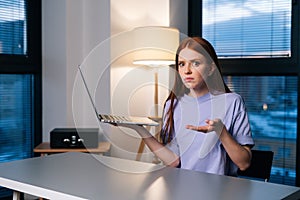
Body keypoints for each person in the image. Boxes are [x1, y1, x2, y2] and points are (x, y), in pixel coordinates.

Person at [115, 37, 254, 176]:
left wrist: (221, 132)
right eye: (181, 64)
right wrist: (140, 130)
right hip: (184, 187)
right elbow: (173, 161)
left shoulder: (232, 102)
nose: (187, 70)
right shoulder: (172, 105)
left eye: (195, 63)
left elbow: (244, 163)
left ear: (211, 68)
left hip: (220, 191)